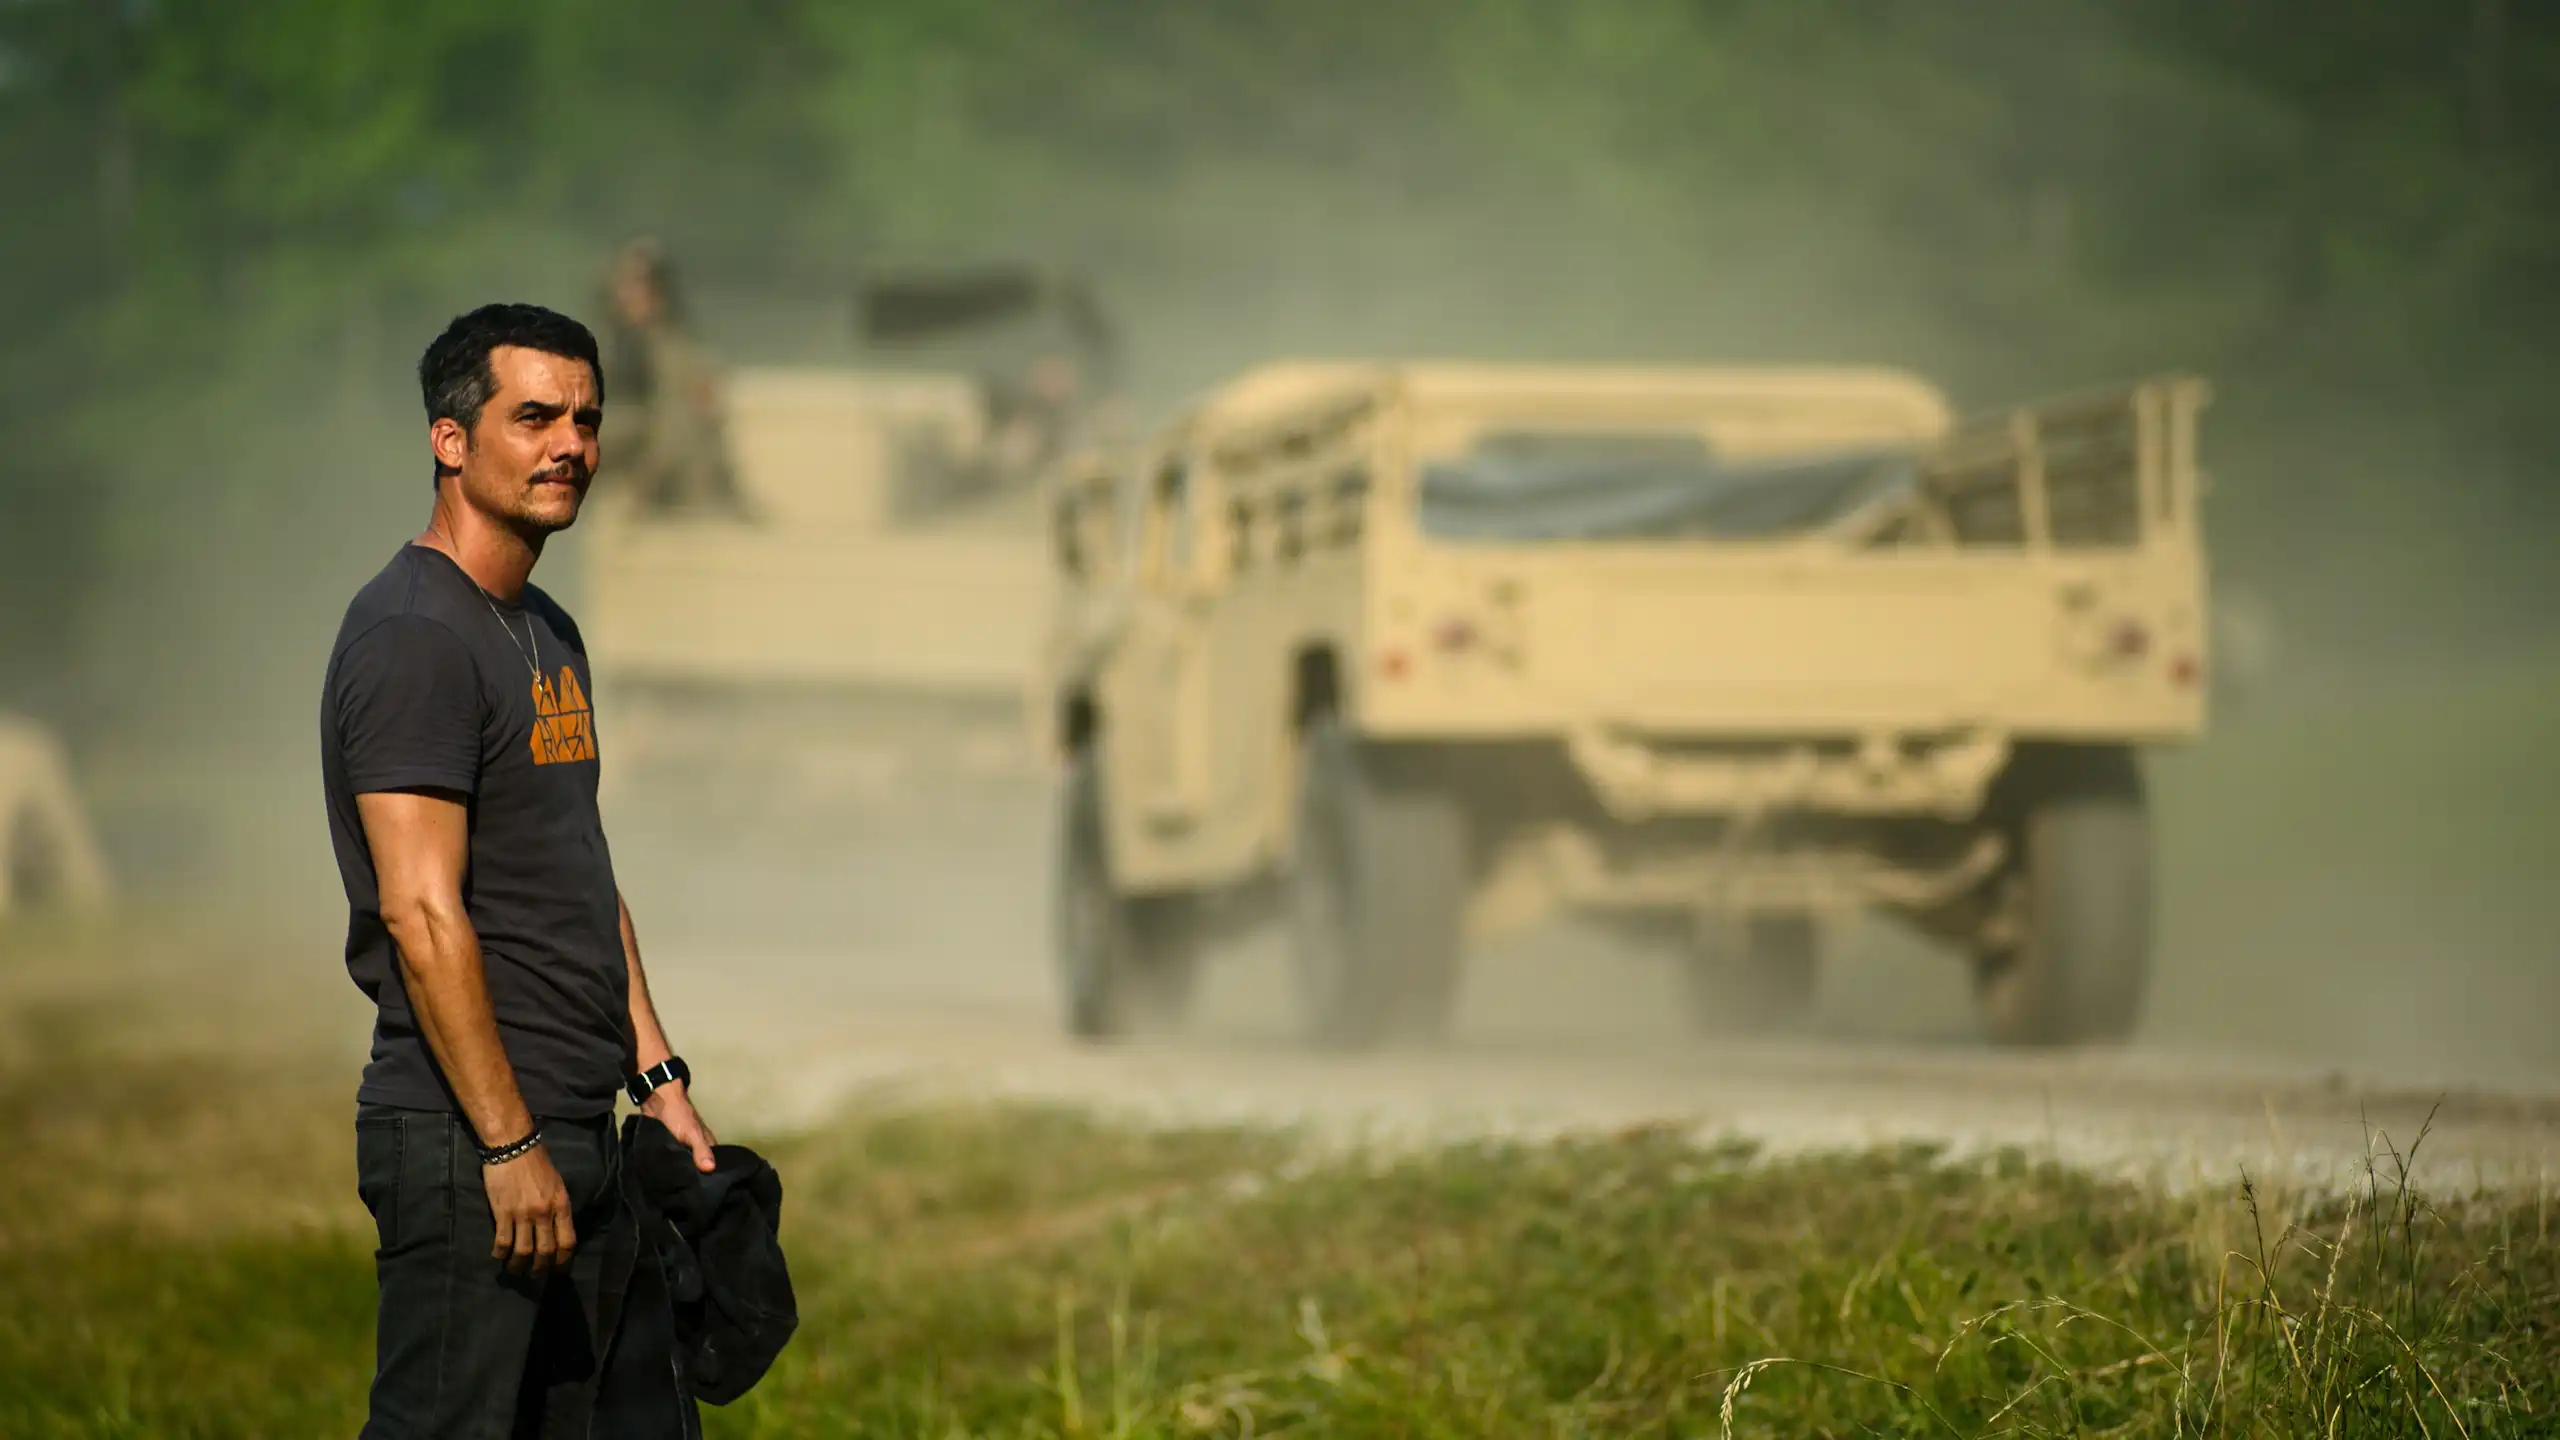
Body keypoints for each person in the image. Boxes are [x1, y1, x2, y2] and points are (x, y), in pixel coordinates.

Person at [320, 302, 719, 1436]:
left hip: (575, 1126)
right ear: (451, 440)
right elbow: (420, 911)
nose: (572, 445)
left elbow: (578, 865)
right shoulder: (414, 637)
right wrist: (508, 1143)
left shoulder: (544, 627)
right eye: (535, 415)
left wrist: (657, 1073)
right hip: (469, 1141)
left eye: (587, 419)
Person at [599, 237, 750, 516]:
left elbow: (682, 424)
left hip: (674, 480)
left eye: (642, 285)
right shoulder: (609, 344)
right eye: (626, 284)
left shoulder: (678, 350)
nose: (630, 294)